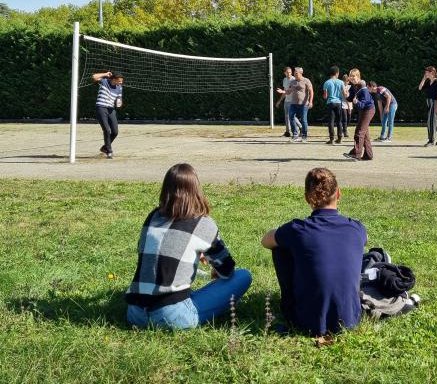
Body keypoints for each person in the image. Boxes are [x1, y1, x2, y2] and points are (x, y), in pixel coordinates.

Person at [125, 163, 252, 330]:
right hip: (172, 316)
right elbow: (227, 269)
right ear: (196, 189)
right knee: (243, 276)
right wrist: (212, 263)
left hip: (135, 314)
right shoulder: (203, 223)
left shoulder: (153, 217)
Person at [261, 167, 367, 336]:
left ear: (306, 198)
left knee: (279, 248)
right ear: (339, 193)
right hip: (350, 319)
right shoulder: (357, 228)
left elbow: (265, 241)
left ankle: (294, 303)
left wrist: (284, 234)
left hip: (305, 321)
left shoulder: (296, 230)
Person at [343, 69, 375, 161]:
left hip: (368, 110)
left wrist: (356, 102)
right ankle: (368, 155)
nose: (352, 78)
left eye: (354, 76)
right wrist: (346, 95)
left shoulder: (363, 89)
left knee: (359, 132)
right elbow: (351, 98)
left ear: (358, 76)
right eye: (351, 76)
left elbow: (362, 105)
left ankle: (356, 154)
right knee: (365, 134)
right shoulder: (354, 86)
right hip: (363, 111)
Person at [92, 71, 124, 159]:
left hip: (111, 109)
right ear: (113, 79)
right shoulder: (105, 81)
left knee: (115, 132)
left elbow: (119, 99)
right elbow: (94, 77)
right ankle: (109, 151)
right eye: (119, 81)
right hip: (101, 108)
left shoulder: (119, 87)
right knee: (106, 130)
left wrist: (119, 103)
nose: (121, 82)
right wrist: (105, 74)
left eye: (122, 81)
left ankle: (104, 147)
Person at [276, 67, 313, 142]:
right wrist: (283, 91)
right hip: (293, 103)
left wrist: (311, 101)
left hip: (304, 104)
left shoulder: (306, 80)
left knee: (304, 120)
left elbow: (311, 91)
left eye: (296, 73)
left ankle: (304, 136)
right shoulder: (293, 82)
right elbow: (289, 91)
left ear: (301, 73)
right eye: (294, 73)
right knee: (291, 117)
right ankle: (295, 135)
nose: (294, 74)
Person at [418, 66, 437, 147]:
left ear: (431, 72)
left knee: (430, 122)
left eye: (426, 72)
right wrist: (424, 79)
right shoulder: (428, 82)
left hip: (434, 103)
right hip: (429, 103)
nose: (425, 73)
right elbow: (420, 88)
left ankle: (431, 141)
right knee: (434, 121)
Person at [275, 66, 301, 137]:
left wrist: (282, 91)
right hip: (286, 100)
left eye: (290, 72)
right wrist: (279, 101)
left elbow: (289, 91)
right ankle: (287, 132)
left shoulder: (293, 80)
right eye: (287, 72)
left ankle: (301, 127)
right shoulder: (284, 80)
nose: (289, 74)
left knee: (291, 116)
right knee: (287, 116)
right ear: (285, 73)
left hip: (293, 101)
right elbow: (285, 92)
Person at [322, 65, 345, 144]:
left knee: (331, 121)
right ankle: (339, 138)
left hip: (330, 102)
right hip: (338, 102)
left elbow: (325, 96)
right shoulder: (341, 82)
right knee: (339, 121)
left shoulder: (327, 82)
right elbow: (344, 93)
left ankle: (331, 139)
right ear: (337, 73)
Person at [341, 74, 352, 138]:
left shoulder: (350, 87)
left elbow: (350, 96)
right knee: (344, 118)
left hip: (349, 104)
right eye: (345, 81)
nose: (346, 82)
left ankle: (344, 129)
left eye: (348, 81)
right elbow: (345, 96)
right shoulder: (341, 86)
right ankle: (345, 132)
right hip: (343, 103)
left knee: (349, 118)